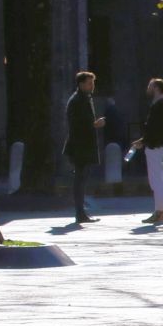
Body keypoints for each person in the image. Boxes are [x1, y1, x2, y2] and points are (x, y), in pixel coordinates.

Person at [132, 76, 163, 226]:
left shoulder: (161, 105)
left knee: (156, 180)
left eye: (150, 86)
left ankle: (161, 212)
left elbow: (156, 129)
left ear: (156, 88)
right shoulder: (160, 104)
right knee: (158, 178)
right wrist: (143, 140)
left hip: (155, 145)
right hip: (155, 143)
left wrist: (145, 141)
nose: (148, 88)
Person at [64, 69, 105, 223]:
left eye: (92, 83)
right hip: (79, 146)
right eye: (89, 83)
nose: (92, 86)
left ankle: (81, 212)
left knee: (82, 179)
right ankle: (79, 212)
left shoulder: (86, 98)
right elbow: (76, 124)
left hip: (85, 145)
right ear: (81, 84)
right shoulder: (76, 101)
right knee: (79, 179)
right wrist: (94, 124)